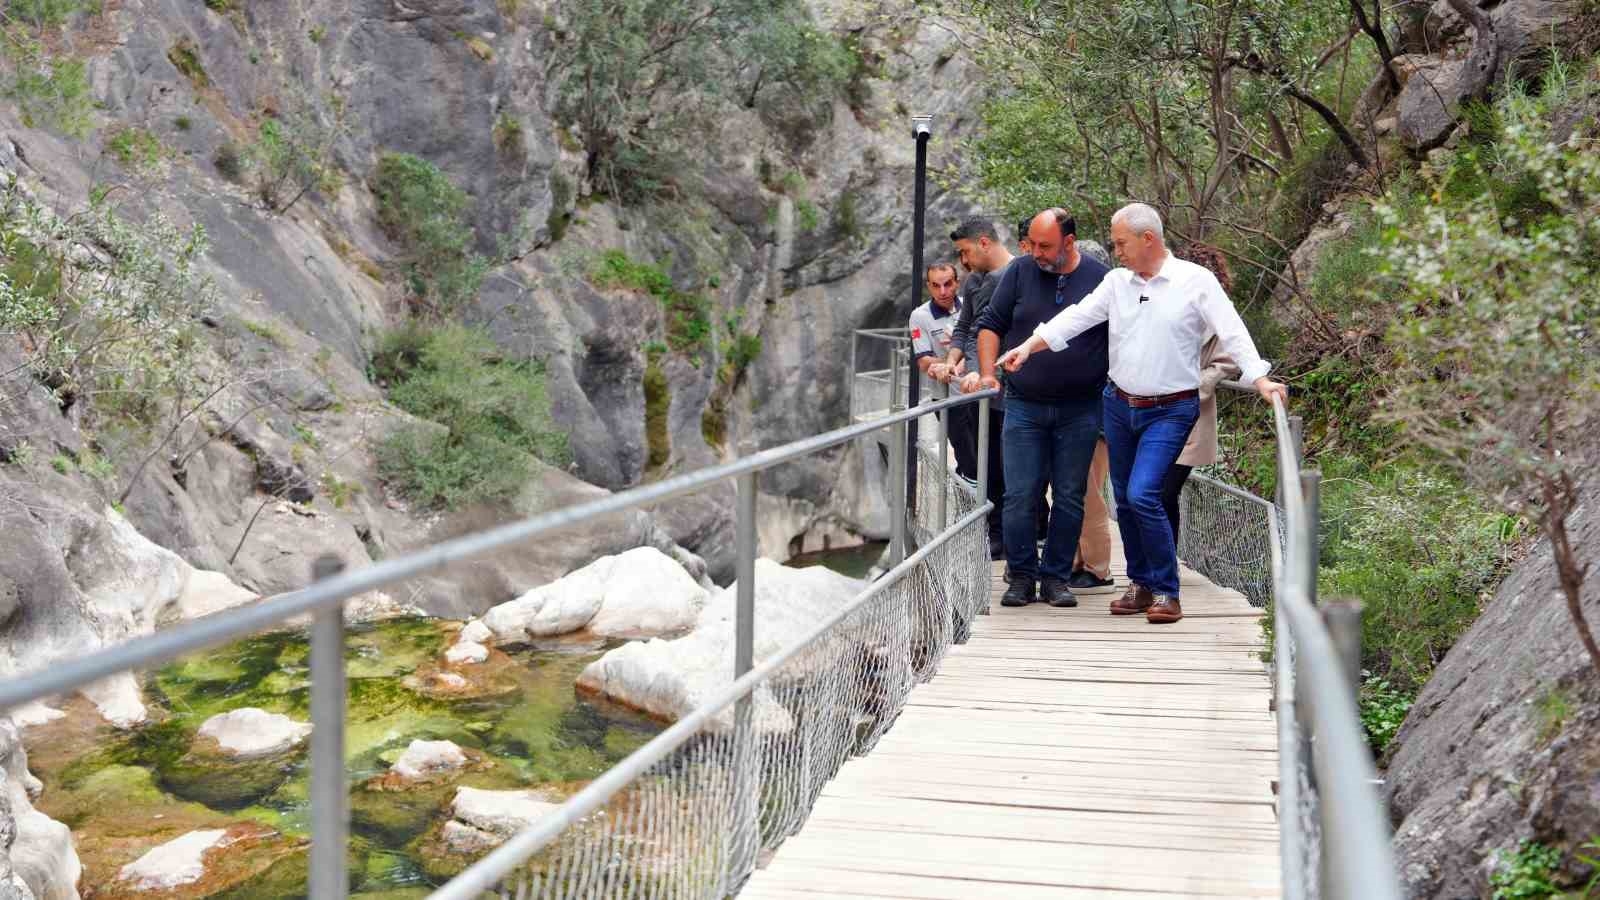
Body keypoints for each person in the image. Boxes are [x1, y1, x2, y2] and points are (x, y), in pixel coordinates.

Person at [999, 203, 1287, 624]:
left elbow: (1232, 331)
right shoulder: (1117, 283)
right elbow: (1074, 319)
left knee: (1143, 493)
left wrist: (1259, 378)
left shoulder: (1195, 280)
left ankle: (1167, 590)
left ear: (1147, 238)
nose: (1116, 251)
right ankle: (1139, 584)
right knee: (1126, 501)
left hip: (1171, 408)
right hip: (1119, 404)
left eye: (1121, 243)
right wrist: (1028, 347)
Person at [974, 208, 1110, 609]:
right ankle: (1021, 576)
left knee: (1069, 496)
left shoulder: (1100, 279)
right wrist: (988, 374)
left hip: (1081, 407)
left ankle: (1055, 579)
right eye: (1031, 243)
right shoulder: (1019, 272)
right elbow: (990, 324)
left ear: (1069, 242)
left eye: (1044, 245)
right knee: (1020, 495)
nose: (1035, 252)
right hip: (1024, 405)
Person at [932, 218, 1013, 557]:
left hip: (1009, 389)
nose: (963, 261)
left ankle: (1023, 534)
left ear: (983, 243)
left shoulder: (1015, 275)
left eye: (965, 252)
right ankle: (996, 534)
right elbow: (967, 327)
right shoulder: (974, 280)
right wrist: (952, 361)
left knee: (1013, 469)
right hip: (982, 393)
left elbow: (1003, 332)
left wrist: (982, 370)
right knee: (988, 465)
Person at [1164, 243, 1243, 545]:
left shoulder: (1221, 313)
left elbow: (1231, 359)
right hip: (1156, 407)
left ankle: (1166, 560)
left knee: (1165, 490)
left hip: (1193, 411)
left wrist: (1200, 383)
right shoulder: (1168, 305)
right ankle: (1160, 559)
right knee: (1153, 491)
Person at [908, 262, 977, 480]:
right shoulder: (920, 316)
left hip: (978, 392)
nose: (943, 291)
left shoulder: (970, 306)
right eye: (936, 286)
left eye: (948, 284)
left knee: (989, 455)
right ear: (928, 286)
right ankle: (970, 495)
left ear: (957, 283)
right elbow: (924, 362)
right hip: (948, 398)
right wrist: (952, 359)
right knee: (968, 459)